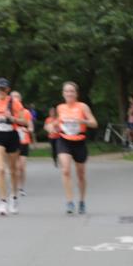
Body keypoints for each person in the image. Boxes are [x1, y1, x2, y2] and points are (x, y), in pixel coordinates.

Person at [48, 81, 98, 214]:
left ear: (76, 94)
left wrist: (83, 121)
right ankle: (69, 202)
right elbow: (57, 122)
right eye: (66, 91)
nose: (69, 93)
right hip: (64, 140)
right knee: (65, 169)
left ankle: (81, 201)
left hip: (79, 141)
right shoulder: (60, 107)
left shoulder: (83, 107)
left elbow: (94, 123)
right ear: (63, 94)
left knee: (80, 174)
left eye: (72, 91)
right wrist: (52, 126)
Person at [0, 78, 26, 216]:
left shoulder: (14, 102)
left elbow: (24, 121)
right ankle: (2, 202)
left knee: (13, 170)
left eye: (3, 89)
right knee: (1, 168)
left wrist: (13, 118)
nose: (1, 92)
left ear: (8, 90)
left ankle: (14, 197)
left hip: (12, 135)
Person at [11, 91, 34, 197]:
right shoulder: (8, 112)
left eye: (17, 97)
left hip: (24, 141)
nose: (15, 98)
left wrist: (28, 130)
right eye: (13, 97)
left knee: (22, 167)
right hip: (12, 141)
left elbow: (31, 126)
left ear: (20, 99)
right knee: (14, 167)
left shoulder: (26, 112)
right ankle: (14, 187)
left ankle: (21, 187)